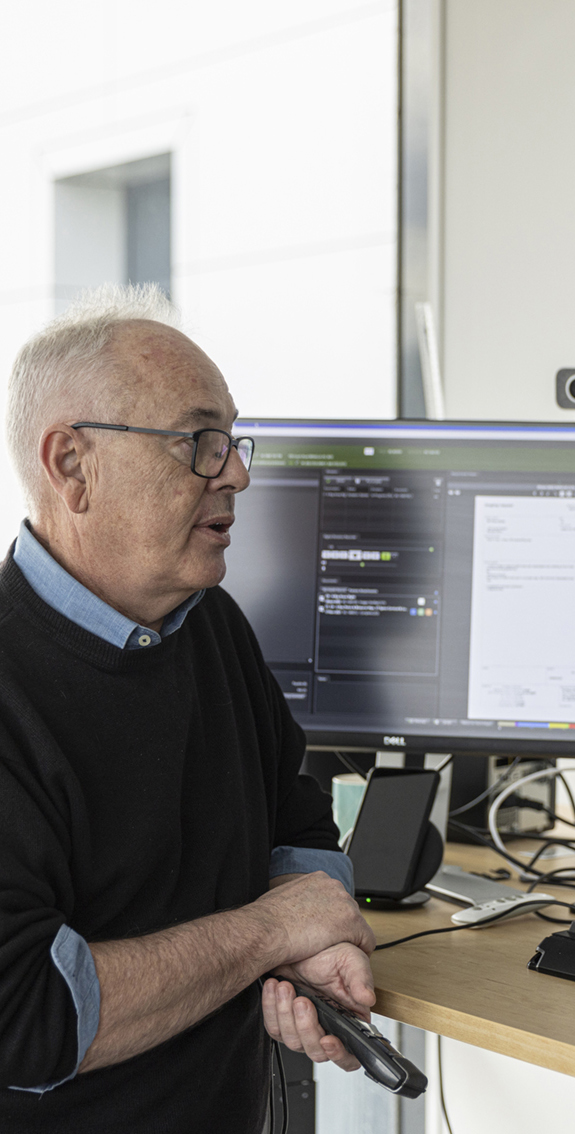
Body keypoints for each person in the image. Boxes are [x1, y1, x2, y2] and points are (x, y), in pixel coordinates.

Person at [0, 285, 376, 1131]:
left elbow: (296, 820)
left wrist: (320, 941)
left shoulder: (209, 623)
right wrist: (273, 931)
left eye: (235, 440)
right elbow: (28, 1017)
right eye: (198, 442)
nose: (236, 472)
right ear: (71, 466)